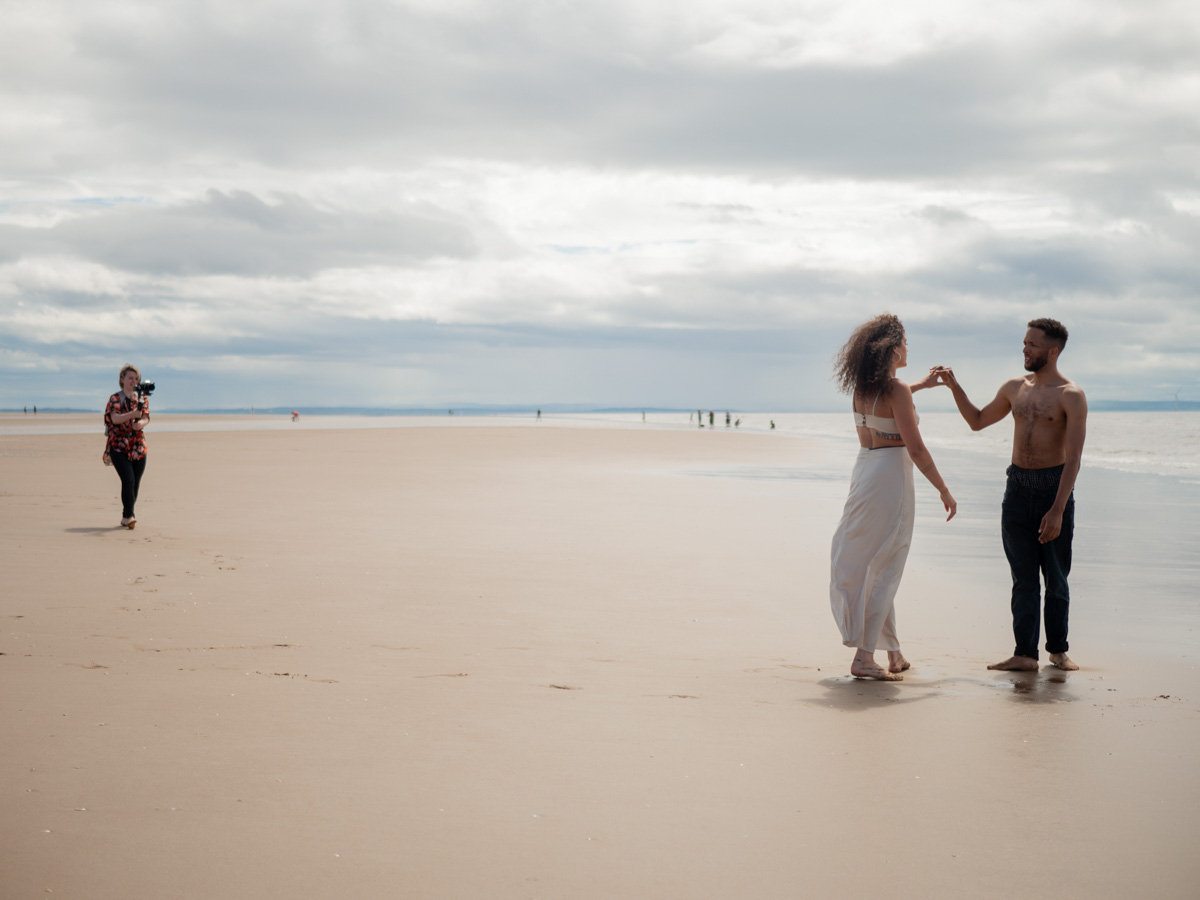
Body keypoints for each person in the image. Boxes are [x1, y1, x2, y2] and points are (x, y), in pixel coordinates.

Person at [934, 318, 1086, 671]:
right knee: (1023, 578)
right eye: (1024, 342)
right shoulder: (1014, 388)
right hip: (1016, 489)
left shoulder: (1071, 396)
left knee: (1057, 578)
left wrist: (1058, 509)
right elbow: (976, 421)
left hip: (1053, 489)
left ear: (1052, 351)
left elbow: (1075, 458)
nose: (1024, 349)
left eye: (1032, 344)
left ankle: (1058, 650)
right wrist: (953, 386)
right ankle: (1024, 654)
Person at [830, 314, 956, 681]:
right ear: (892, 348)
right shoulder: (895, 390)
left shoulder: (863, 388)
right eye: (905, 341)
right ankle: (864, 658)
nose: (908, 348)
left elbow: (887, 414)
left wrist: (922, 385)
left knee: (876, 561)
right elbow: (915, 448)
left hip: (865, 471)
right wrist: (944, 489)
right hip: (892, 479)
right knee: (888, 565)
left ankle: (894, 653)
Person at [104, 364, 150, 529]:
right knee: (128, 480)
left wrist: (141, 424)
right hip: (118, 446)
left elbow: (146, 417)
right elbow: (115, 418)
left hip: (138, 446)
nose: (134, 381)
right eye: (130, 378)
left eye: (136, 378)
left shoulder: (142, 398)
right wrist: (132, 415)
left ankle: (127, 515)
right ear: (122, 379)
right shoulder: (115, 399)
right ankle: (129, 516)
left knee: (135, 482)